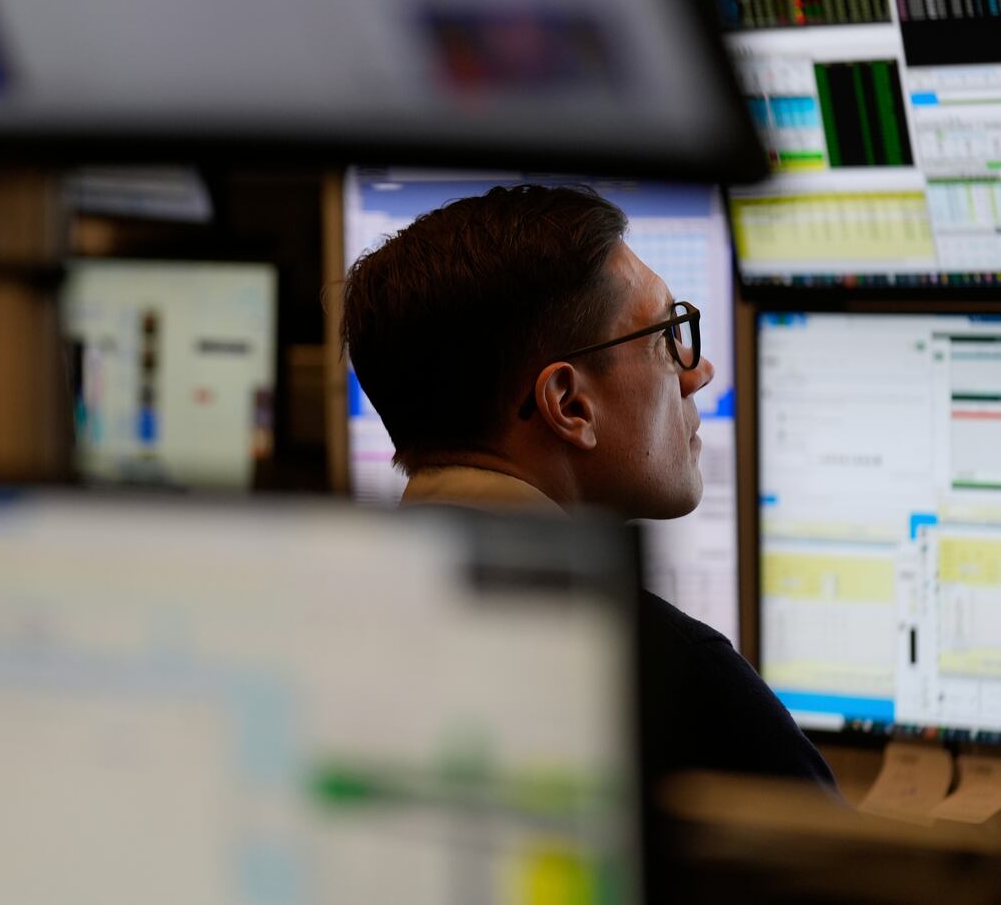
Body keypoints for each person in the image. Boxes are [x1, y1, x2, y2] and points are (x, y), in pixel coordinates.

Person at [342, 183, 835, 787]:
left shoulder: (316, 634)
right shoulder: (679, 686)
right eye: (666, 337)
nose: (699, 371)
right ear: (569, 403)